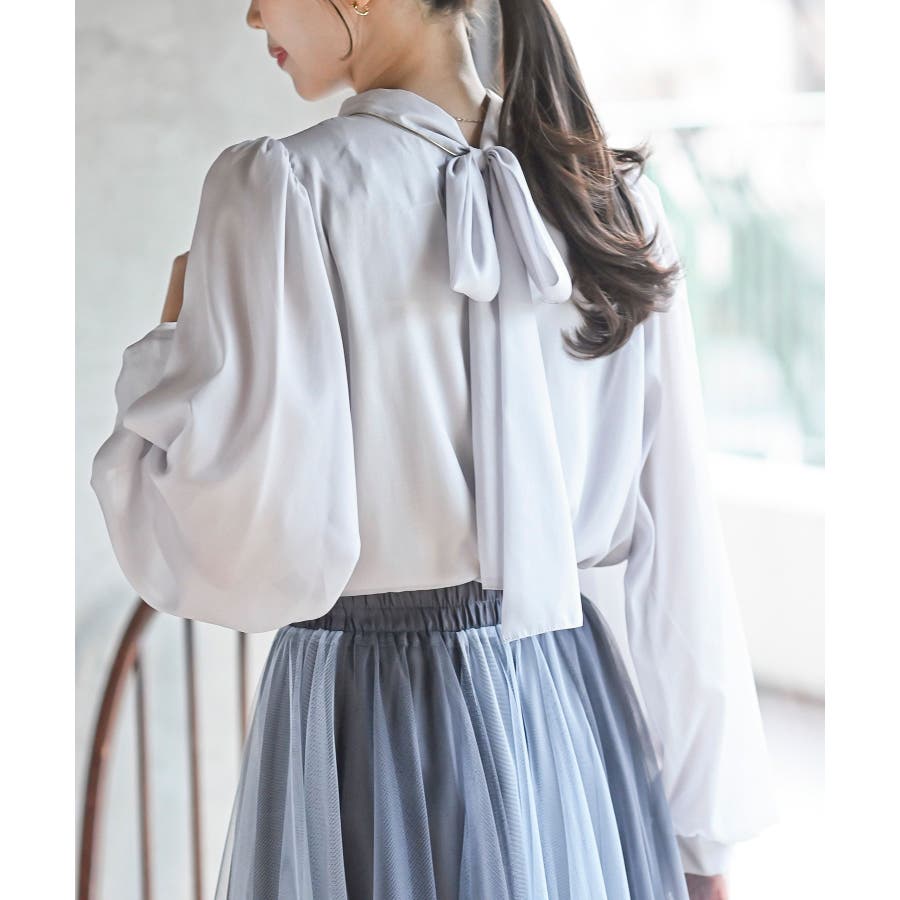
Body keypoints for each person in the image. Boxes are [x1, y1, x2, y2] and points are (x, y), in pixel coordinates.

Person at [89, 0, 778, 897]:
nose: (254, 13)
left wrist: (169, 343)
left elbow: (233, 557)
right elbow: (677, 549)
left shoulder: (287, 192)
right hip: (568, 716)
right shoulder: (610, 199)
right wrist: (703, 839)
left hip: (367, 719)